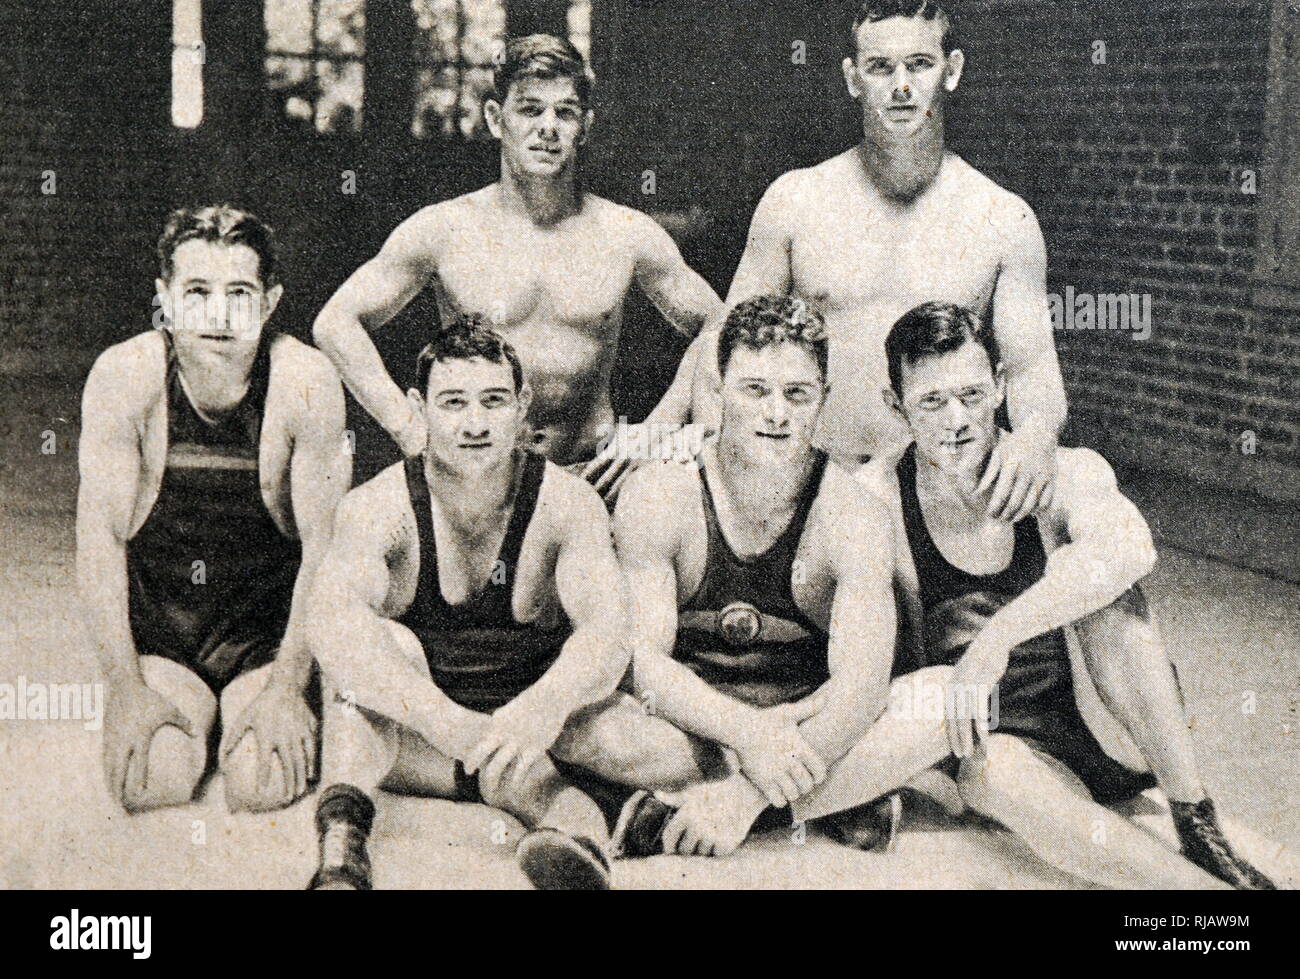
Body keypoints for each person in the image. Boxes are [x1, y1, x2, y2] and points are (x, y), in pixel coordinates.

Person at [857, 300, 1275, 889]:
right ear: (895, 405)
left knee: (1113, 598)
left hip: (1098, 723)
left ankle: (1196, 820)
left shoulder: (1066, 470)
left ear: (1001, 388)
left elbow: (1131, 547)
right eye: (932, 401)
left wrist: (995, 639)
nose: (957, 420)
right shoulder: (874, 493)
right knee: (994, 775)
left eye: (972, 395)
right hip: (984, 739)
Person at [555, 296, 958, 858]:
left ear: (824, 398)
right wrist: (748, 734)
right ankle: (840, 795)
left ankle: (716, 810)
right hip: (698, 728)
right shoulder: (661, 492)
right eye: (755, 390)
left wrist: (745, 794)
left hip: (808, 724)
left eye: (797, 394)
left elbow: (862, 688)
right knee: (578, 722)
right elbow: (639, 663)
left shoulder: (854, 512)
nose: (777, 413)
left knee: (944, 698)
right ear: (719, 390)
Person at [675, 0, 1064, 525]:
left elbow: (1031, 368)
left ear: (952, 71)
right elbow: (725, 350)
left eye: (919, 64)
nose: (901, 86)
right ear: (853, 78)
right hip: (813, 489)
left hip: (941, 496)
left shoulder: (1003, 219)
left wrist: (1036, 439)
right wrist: (723, 472)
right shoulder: (795, 202)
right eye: (881, 67)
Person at [313, 34, 722, 503]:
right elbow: (335, 322)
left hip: (591, 480)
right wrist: (410, 429)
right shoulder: (445, 230)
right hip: (476, 479)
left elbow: (718, 326)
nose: (548, 127)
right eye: (530, 109)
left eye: (564, 112)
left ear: (584, 127)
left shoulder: (627, 234)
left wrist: (656, 432)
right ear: (495, 118)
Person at [305, 320, 631, 890]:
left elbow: (609, 634)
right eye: (453, 403)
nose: (475, 424)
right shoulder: (377, 507)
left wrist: (544, 706)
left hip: (521, 726)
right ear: (419, 406)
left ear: (523, 405)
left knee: (646, 742)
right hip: (412, 731)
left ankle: (580, 841)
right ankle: (343, 850)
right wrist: (447, 722)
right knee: (374, 657)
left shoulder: (568, 504)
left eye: (494, 401)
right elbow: (329, 626)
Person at [77, 204, 348, 814]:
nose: (220, 313)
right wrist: (124, 689)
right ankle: (201, 714)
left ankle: (246, 711)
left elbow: (325, 556)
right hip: (167, 640)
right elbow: (100, 545)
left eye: (240, 293)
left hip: (266, 640)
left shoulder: (306, 382)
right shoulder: (125, 376)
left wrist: (287, 688)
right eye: (197, 291)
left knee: (262, 786)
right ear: (165, 299)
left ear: (272, 301)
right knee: (151, 782)